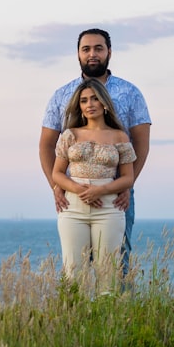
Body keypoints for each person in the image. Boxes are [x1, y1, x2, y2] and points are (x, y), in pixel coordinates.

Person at [39, 28, 151, 262]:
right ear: (78, 54)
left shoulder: (131, 93)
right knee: (75, 265)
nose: (92, 54)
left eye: (98, 48)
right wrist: (56, 187)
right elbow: (46, 145)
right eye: (86, 49)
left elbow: (140, 145)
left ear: (109, 52)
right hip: (73, 195)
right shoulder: (62, 95)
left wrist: (125, 187)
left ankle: (114, 300)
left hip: (115, 195)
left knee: (116, 263)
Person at [52, 79, 136, 285]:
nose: (89, 104)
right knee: (73, 276)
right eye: (83, 100)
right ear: (79, 106)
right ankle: (72, 317)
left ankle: (108, 316)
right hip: (72, 208)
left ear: (104, 103)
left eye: (94, 99)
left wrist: (101, 190)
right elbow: (57, 173)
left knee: (108, 275)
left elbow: (128, 178)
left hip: (109, 207)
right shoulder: (70, 135)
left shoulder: (119, 136)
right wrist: (79, 190)